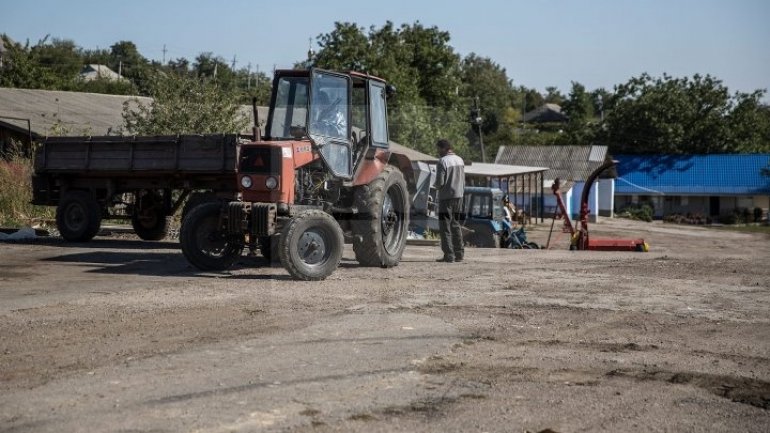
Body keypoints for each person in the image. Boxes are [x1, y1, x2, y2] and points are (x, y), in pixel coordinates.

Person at [434, 138, 465, 262]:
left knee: (444, 226)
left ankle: (449, 255)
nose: (437, 152)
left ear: (443, 148)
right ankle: (459, 254)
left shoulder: (442, 161)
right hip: (459, 196)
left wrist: (435, 186)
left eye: (438, 149)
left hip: (446, 198)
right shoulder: (460, 160)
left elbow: (440, 182)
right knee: (455, 225)